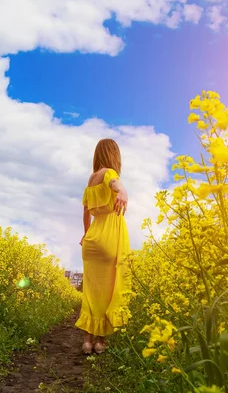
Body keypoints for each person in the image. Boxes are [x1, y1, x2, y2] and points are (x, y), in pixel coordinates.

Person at [75, 138, 131, 355]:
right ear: (113, 155)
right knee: (109, 290)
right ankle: (100, 340)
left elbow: (85, 212)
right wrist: (123, 193)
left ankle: (86, 341)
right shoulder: (109, 173)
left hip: (91, 239)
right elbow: (116, 184)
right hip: (110, 235)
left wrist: (86, 234)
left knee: (91, 290)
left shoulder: (91, 180)